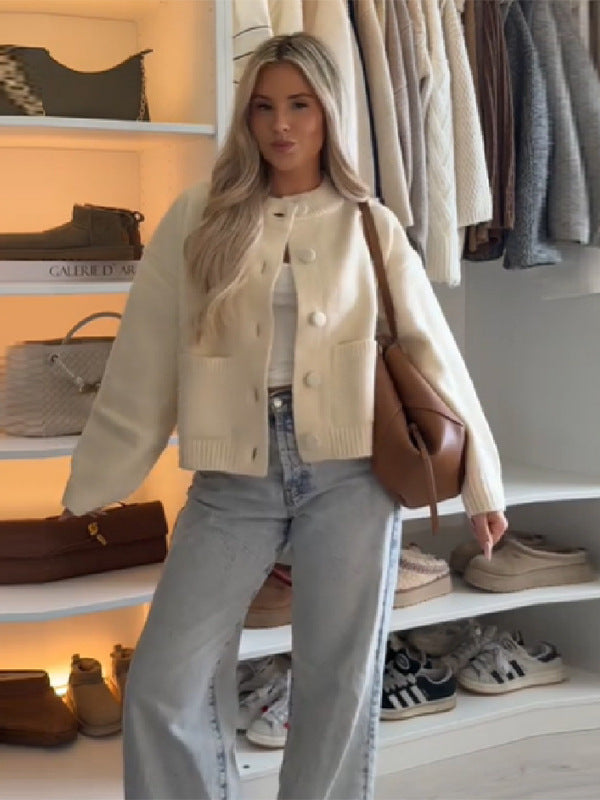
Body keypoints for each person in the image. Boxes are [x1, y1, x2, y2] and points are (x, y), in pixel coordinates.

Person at [60, 33, 508, 800]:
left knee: (338, 684)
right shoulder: (199, 215)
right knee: (163, 682)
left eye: (300, 105)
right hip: (233, 477)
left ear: (329, 113)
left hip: (352, 474)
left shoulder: (368, 222)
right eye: (264, 107)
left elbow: (434, 355)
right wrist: (94, 480)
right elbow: (144, 354)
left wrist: (481, 487)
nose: (281, 125)